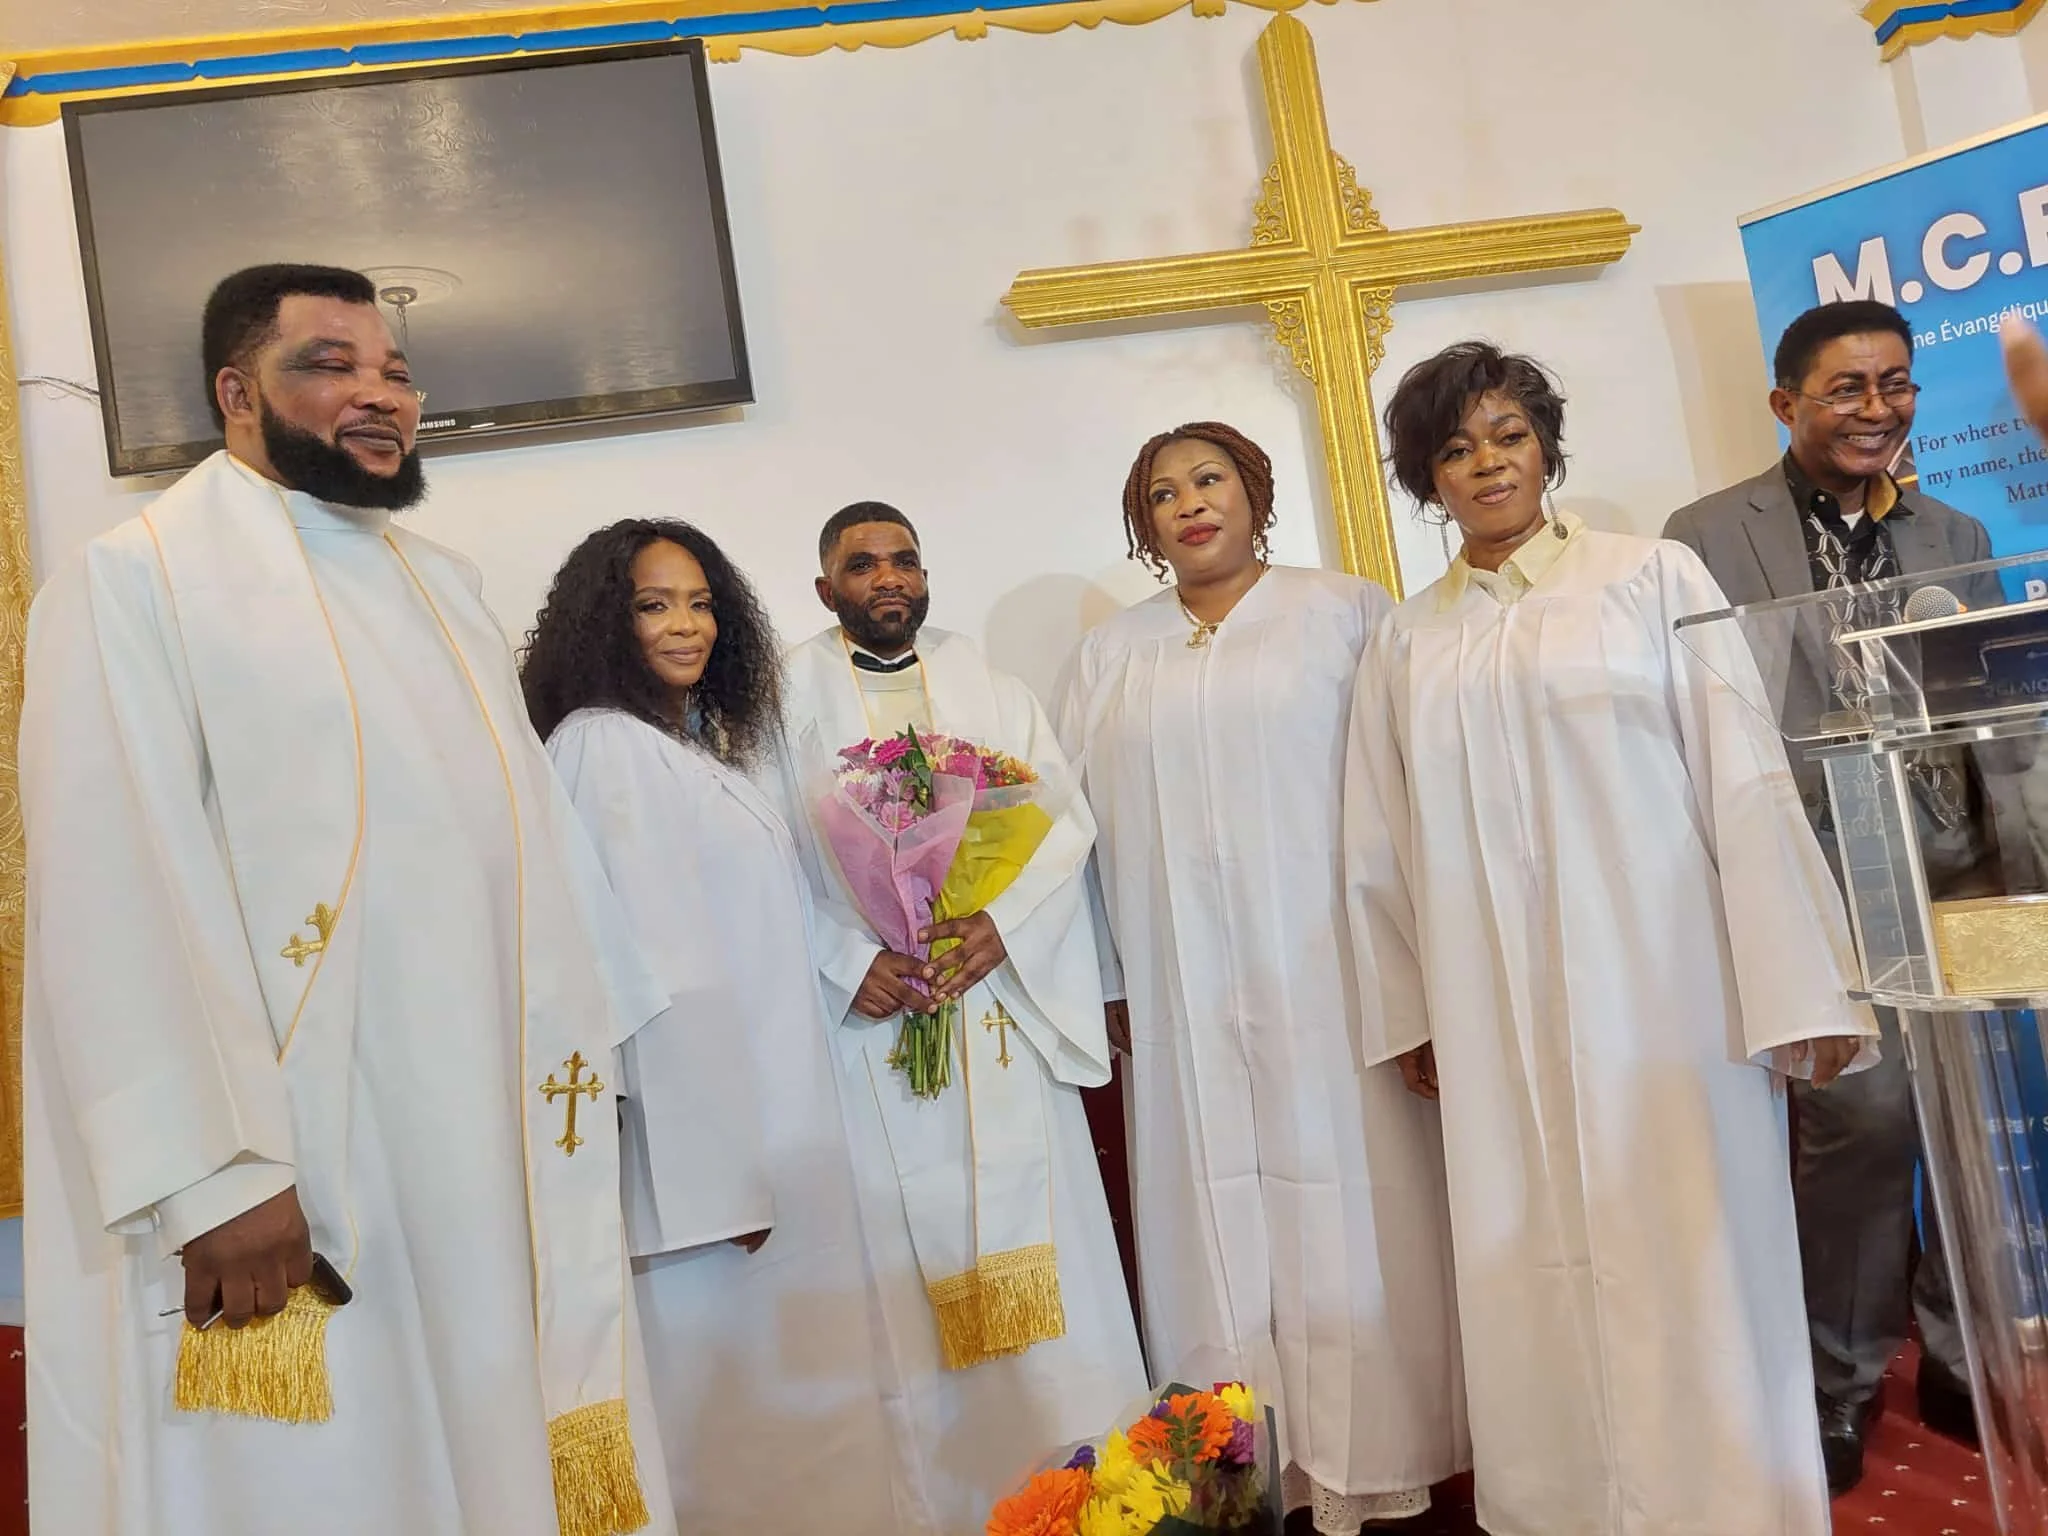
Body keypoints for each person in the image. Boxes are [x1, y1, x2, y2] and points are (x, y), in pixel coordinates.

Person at [20, 265, 671, 1535]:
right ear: (235, 392)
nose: (380, 395)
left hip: (481, 1131)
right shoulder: (135, 581)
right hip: (303, 1160)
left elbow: (534, 842)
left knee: (494, 1438)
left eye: (396, 372)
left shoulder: (441, 585)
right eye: (330, 365)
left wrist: (600, 1066)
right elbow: (115, 886)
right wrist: (216, 1177)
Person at [1345, 340, 1878, 1536]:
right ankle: (1563, 1507)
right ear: (1427, 480)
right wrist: (1412, 1009)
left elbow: (1742, 778)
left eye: (1507, 436)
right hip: (1492, 1005)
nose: (1487, 464)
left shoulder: (1649, 576)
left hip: (1663, 987)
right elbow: (1375, 840)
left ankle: (1732, 1503)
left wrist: (1796, 989)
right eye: (1454, 450)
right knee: (1524, 1248)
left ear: (1544, 448)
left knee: (1689, 1240)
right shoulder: (1406, 640)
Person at [1052, 423, 1467, 1534]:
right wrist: (1107, 978)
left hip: (1328, 974)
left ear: (1254, 493)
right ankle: (1230, 1472)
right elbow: (1067, 833)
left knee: (1347, 1201)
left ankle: (1371, 1455)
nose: (1190, 504)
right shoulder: (1110, 655)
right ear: (1143, 525)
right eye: (1163, 494)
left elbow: (1401, 793)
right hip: (1178, 988)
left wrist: (1415, 976)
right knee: (1207, 1212)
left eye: (1209, 480)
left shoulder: (1345, 613)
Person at [521, 518, 935, 1536]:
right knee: (745, 1445)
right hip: (713, 1185)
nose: (686, 625)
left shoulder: (694, 747)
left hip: (777, 1131)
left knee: (809, 1426)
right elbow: (651, 980)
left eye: (701, 603)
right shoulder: (603, 747)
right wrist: (720, 1182)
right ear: (603, 622)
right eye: (653, 605)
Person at [1665, 300, 2002, 1490]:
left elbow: (1986, 706)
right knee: (1860, 1124)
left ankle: (1961, 1355)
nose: (1875, 408)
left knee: (1968, 1119)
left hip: (1949, 866)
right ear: (1784, 403)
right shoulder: (1702, 536)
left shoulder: (1954, 530)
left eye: (1893, 383)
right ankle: (1836, 1382)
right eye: (1846, 387)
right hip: (1805, 872)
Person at [768, 501, 1147, 1531]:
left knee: (1052, 1268)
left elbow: (1063, 826)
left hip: (990, 1007)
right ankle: (941, 1506)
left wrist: (998, 929)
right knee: (898, 1284)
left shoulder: (996, 689)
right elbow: (756, 856)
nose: (887, 577)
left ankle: (1089, 1493)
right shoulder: (778, 704)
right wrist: (849, 960)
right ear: (825, 589)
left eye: (903, 560)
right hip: (872, 1026)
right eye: (861, 565)